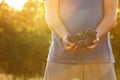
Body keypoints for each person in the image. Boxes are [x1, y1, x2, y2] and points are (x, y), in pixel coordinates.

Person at [44, 0, 118, 80]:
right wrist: (64, 36)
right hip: (60, 61)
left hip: (100, 60)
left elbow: (111, 15)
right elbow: (51, 15)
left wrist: (96, 35)